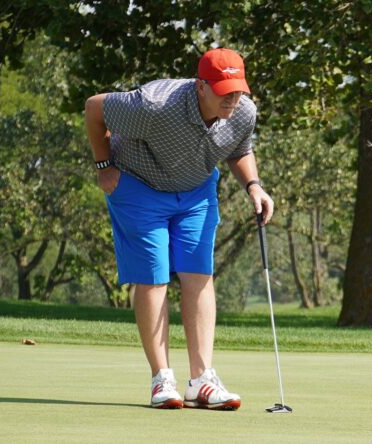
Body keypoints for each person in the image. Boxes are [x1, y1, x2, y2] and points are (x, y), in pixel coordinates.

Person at [84, 48, 274, 410]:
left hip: (196, 192)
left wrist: (254, 185)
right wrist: (104, 165)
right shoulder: (154, 105)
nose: (232, 99)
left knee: (198, 273)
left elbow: (239, 149)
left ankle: (202, 380)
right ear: (201, 86)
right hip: (139, 185)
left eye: (238, 90)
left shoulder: (243, 110)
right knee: (153, 275)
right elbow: (94, 108)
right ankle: (162, 380)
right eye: (224, 91)